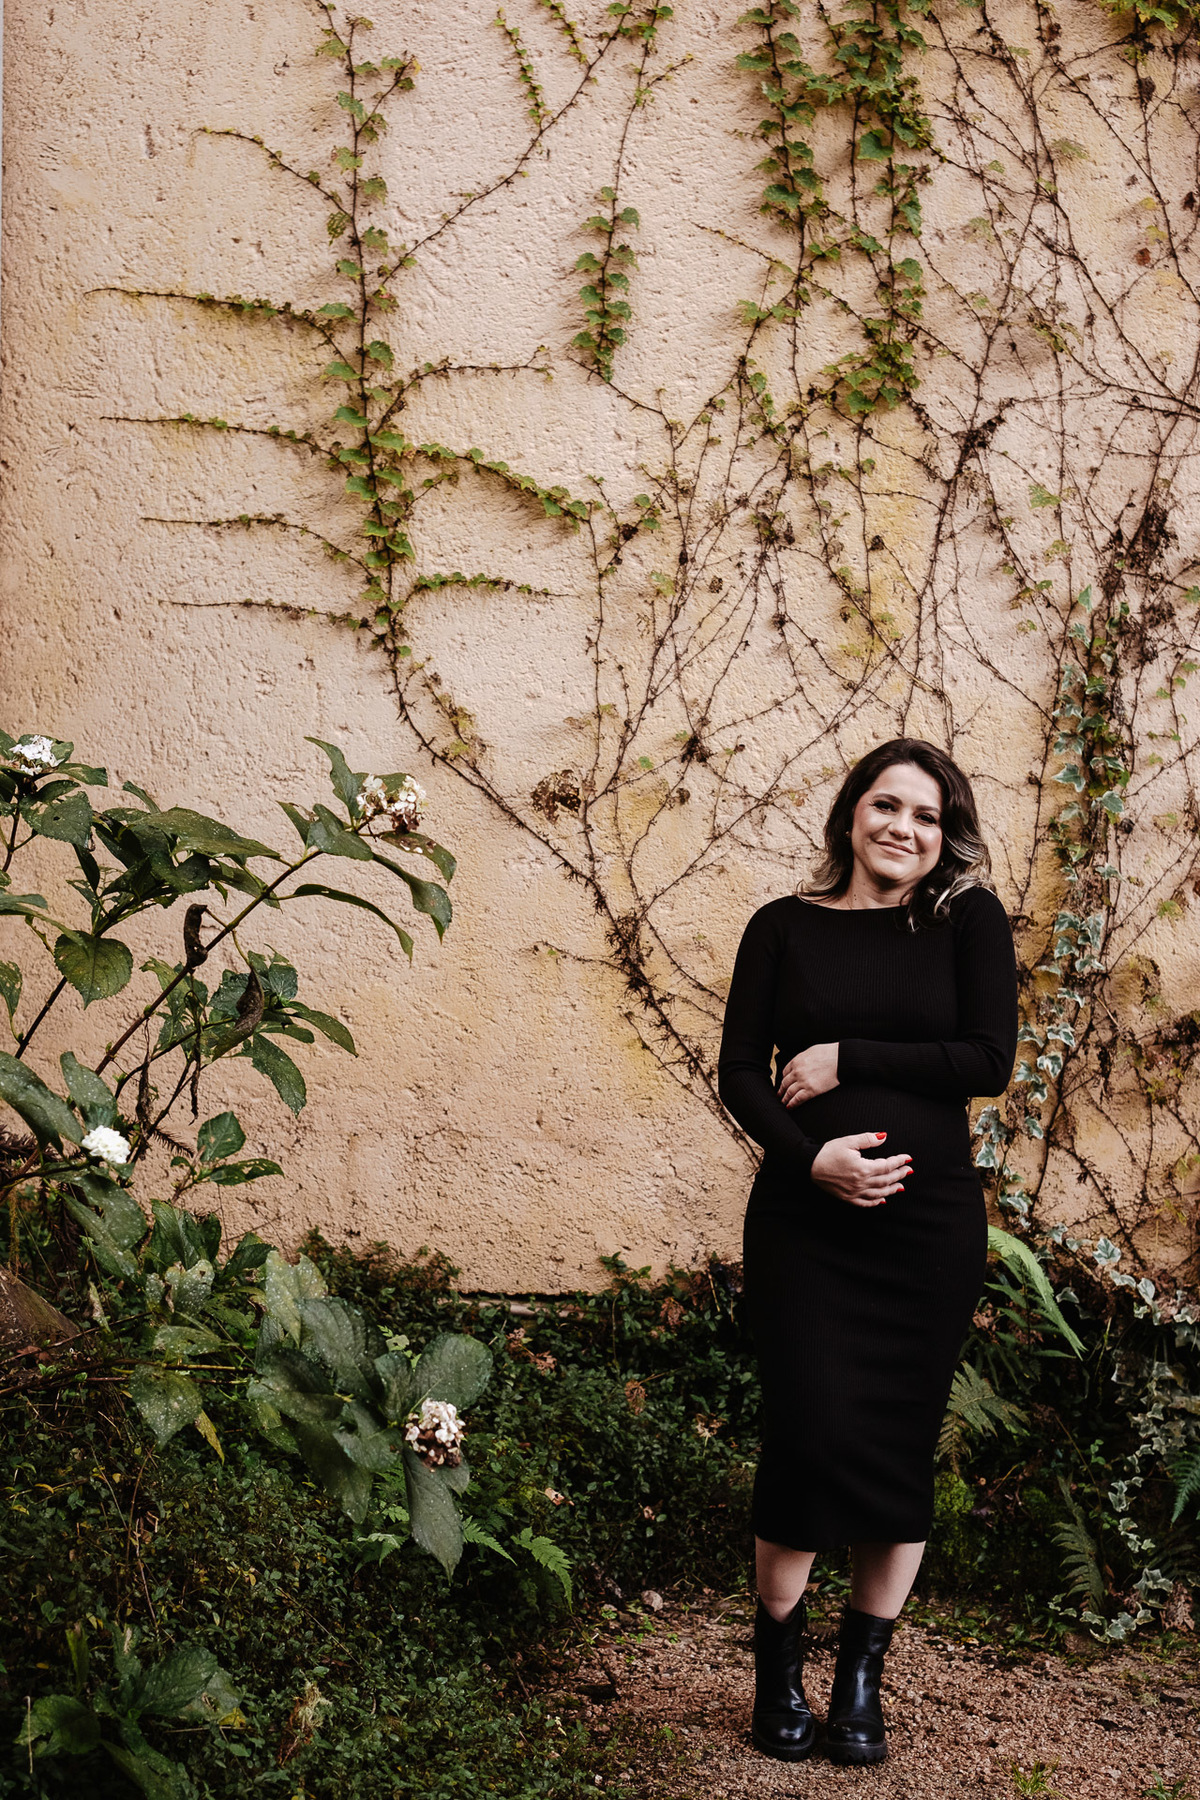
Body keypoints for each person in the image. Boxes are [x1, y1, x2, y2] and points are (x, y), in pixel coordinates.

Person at [717, 738, 1017, 1767]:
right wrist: (814, 1161)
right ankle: (777, 1668)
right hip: (805, 1224)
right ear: (852, 813)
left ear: (946, 836)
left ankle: (858, 1678)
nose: (904, 829)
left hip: (927, 1230)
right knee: (807, 1432)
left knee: (897, 1440)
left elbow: (988, 1059)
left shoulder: (967, 921)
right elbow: (739, 1074)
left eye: (928, 816)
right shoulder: (782, 926)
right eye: (887, 806)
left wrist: (848, 1056)